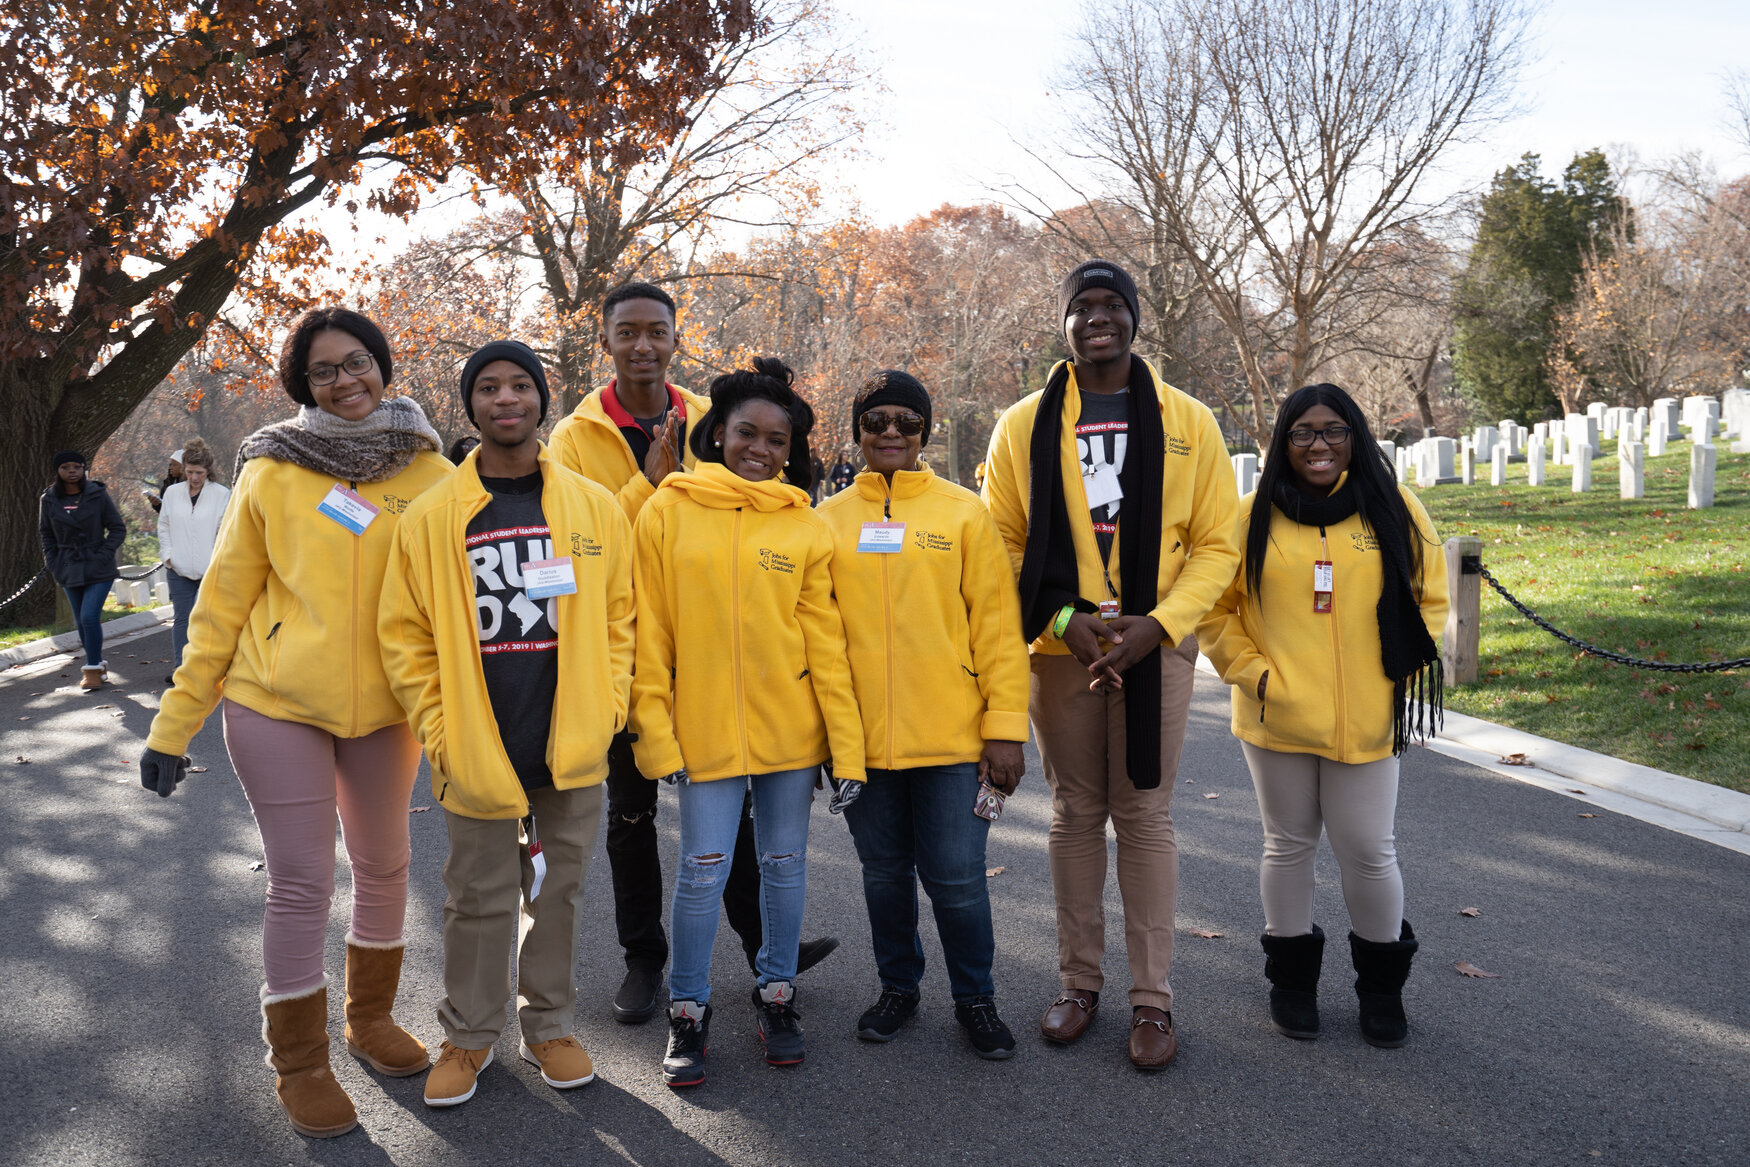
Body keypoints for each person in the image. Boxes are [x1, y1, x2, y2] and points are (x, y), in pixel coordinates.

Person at [138, 307, 451, 1139]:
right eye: (325, 371)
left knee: (386, 863)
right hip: (276, 704)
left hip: (388, 709)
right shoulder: (270, 470)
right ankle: (301, 1059)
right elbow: (223, 605)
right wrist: (174, 724)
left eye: (359, 362)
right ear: (301, 385)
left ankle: (370, 1017)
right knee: (304, 880)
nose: (346, 380)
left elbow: (455, 612)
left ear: (383, 366)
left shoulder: (431, 472)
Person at [549, 281, 836, 1025]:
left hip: (716, 659)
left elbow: (760, 498)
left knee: (731, 816)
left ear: (676, 337)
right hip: (618, 648)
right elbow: (578, 542)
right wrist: (645, 485)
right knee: (633, 812)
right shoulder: (575, 437)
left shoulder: (710, 416)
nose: (643, 344)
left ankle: (757, 946)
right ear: (605, 340)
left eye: (657, 331)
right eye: (627, 332)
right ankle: (647, 958)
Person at [982, 259, 1240, 1070]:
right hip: (1062, 646)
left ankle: (1152, 999)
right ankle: (1078, 982)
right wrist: (1063, 619)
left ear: (1135, 318)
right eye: (1081, 307)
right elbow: (1003, 541)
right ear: (1063, 324)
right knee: (1074, 810)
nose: (1098, 318)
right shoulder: (1023, 423)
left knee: (1146, 813)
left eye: (1112, 305)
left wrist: (1158, 625)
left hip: (1153, 643)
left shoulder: (1188, 421)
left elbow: (1215, 544)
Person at [380, 341, 635, 1107]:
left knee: (557, 891)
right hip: (478, 741)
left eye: (519, 384)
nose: (505, 399)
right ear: (472, 405)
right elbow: (406, 634)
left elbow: (620, 617)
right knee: (478, 897)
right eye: (487, 388)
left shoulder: (593, 506)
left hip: (572, 742)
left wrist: (610, 707)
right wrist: (438, 727)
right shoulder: (432, 518)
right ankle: (468, 1034)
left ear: (540, 398)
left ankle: (549, 1024)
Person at [630, 356, 864, 1086]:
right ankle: (689, 1010)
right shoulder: (667, 509)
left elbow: (827, 644)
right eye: (746, 433)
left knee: (784, 868)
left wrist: (846, 752)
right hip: (701, 735)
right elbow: (649, 633)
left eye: (776, 439)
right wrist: (655, 732)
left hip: (789, 736)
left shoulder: (805, 525)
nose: (761, 449)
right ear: (718, 432)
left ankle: (777, 992)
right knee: (703, 873)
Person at [1196, 383, 1447, 1049]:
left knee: (1368, 848)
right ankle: (1293, 982)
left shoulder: (1396, 509)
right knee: (1288, 844)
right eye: (1303, 432)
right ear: (1283, 440)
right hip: (1276, 714)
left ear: (1354, 437)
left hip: (1367, 716)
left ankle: (1381, 989)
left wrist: (1399, 669)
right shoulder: (1251, 517)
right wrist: (1255, 674)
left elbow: (1430, 596)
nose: (1319, 444)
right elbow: (1215, 611)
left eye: (1333, 430)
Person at [819, 370, 1031, 1059]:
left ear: (924, 434)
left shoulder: (962, 513)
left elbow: (999, 630)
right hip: (861, 744)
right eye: (876, 420)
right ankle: (898, 989)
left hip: (952, 740)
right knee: (883, 876)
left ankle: (976, 997)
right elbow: (813, 639)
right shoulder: (827, 521)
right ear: (856, 430)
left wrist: (1004, 728)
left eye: (906, 422)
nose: (890, 433)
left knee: (958, 880)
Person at [39, 450, 127, 692]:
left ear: (83, 469)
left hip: (97, 565)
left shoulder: (97, 494)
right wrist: (53, 562)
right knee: (80, 621)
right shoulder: (48, 499)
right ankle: (97, 664)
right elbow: (46, 534)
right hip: (67, 566)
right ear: (58, 471)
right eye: (65, 467)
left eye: (76, 466)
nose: (72, 471)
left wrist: (103, 554)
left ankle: (92, 669)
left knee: (89, 616)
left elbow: (117, 528)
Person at [158, 437, 231, 683]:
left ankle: (210, 668)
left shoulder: (221, 494)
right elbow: (164, 525)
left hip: (210, 569)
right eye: (189, 472)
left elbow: (225, 529)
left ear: (208, 471)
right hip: (178, 568)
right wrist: (168, 556)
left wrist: (217, 560)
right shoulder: (172, 493)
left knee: (209, 620)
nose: (194, 477)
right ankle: (182, 669)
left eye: (199, 472)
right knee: (182, 618)